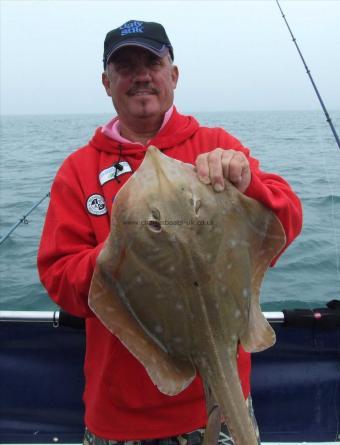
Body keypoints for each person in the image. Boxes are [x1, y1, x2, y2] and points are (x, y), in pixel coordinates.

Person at [37, 20, 302, 445]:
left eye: (152, 62)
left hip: (226, 399)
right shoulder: (77, 170)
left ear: (173, 75)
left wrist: (246, 183)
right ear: (107, 83)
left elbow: (285, 222)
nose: (141, 74)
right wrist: (121, 255)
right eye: (126, 67)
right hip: (120, 417)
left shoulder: (216, 144)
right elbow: (58, 278)